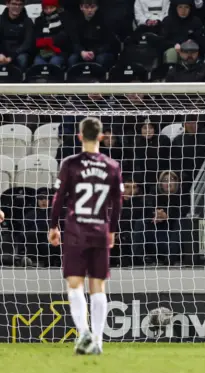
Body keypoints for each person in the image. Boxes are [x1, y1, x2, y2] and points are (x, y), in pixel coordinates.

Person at [48, 117, 123, 355]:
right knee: (98, 286)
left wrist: (53, 226)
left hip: (75, 230)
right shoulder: (112, 166)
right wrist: (112, 229)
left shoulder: (70, 163)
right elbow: (117, 203)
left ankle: (83, 334)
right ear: (101, 137)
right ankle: (98, 342)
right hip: (100, 230)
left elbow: (59, 198)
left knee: (74, 284)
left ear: (79, 136)